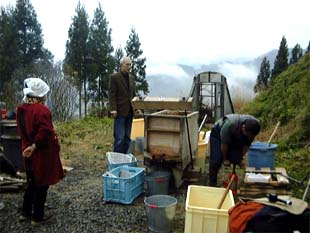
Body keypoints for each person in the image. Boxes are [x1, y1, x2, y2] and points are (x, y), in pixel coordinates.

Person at [16, 78, 64, 225]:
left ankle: (25, 211)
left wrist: (29, 146)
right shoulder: (42, 110)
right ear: (40, 95)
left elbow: (22, 130)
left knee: (31, 181)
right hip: (41, 153)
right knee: (42, 184)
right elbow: (45, 132)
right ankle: (38, 216)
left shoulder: (21, 109)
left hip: (27, 150)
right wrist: (35, 146)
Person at [209, 114, 260, 186]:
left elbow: (246, 145)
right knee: (216, 159)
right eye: (247, 134)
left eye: (250, 136)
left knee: (235, 157)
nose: (249, 136)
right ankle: (212, 183)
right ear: (243, 127)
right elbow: (224, 144)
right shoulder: (229, 125)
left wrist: (240, 158)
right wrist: (225, 159)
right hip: (218, 134)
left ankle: (232, 179)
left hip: (235, 133)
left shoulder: (254, 127)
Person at [109, 57, 136, 154]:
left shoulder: (132, 78)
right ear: (121, 65)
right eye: (127, 64)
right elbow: (112, 95)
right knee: (120, 138)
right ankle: (116, 159)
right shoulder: (114, 77)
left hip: (130, 112)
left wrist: (137, 108)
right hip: (119, 112)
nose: (129, 67)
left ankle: (123, 158)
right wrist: (113, 109)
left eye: (130, 65)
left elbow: (133, 95)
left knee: (127, 138)